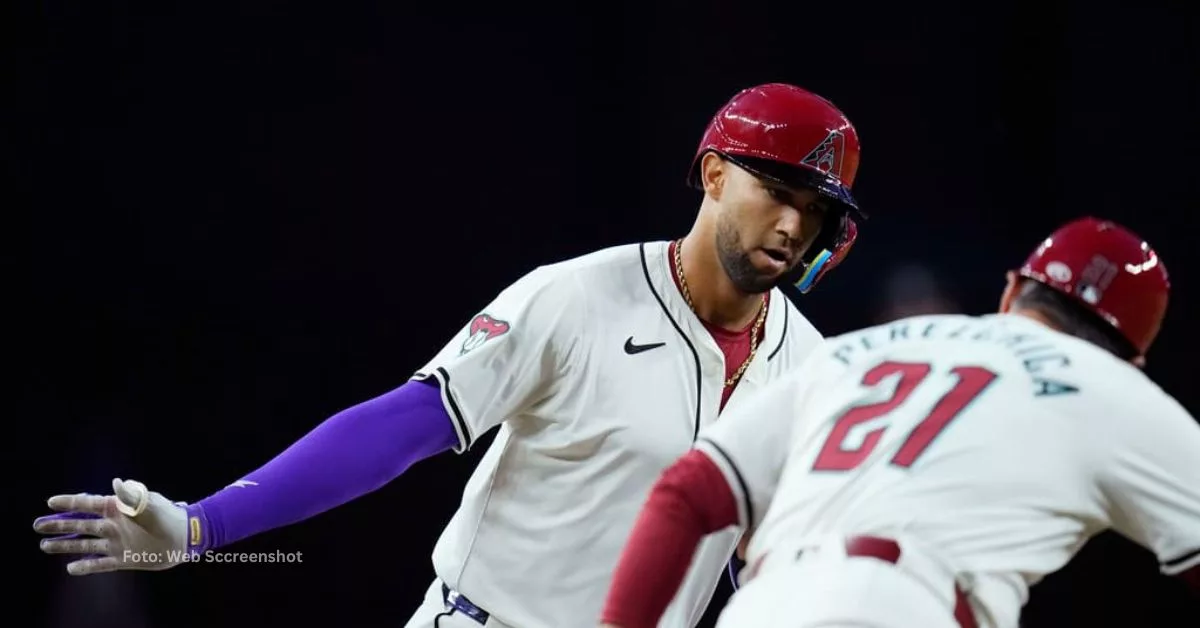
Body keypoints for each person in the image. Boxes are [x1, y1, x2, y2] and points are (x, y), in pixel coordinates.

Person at [33, 83, 869, 628]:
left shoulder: (810, 368)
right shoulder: (575, 297)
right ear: (716, 174)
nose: (794, 228)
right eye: (778, 195)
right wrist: (200, 525)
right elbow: (404, 425)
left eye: (816, 213)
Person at [598, 217, 1200, 628]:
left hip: (765, 605)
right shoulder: (1109, 385)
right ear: (1134, 359)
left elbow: (686, 493)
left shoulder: (861, 351)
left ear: (1013, 291)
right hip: (906, 607)